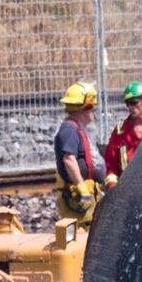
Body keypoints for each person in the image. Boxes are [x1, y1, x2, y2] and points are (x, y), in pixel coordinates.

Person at [54, 80, 106, 228]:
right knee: (81, 236)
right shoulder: (69, 129)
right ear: (83, 107)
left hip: (87, 193)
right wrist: (81, 187)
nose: (93, 112)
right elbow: (69, 159)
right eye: (91, 107)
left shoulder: (77, 128)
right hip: (77, 196)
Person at [103, 81, 142, 188]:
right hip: (127, 191)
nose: (130, 107)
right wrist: (112, 188)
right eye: (127, 103)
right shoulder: (120, 132)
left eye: (133, 102)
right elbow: (111, 167)